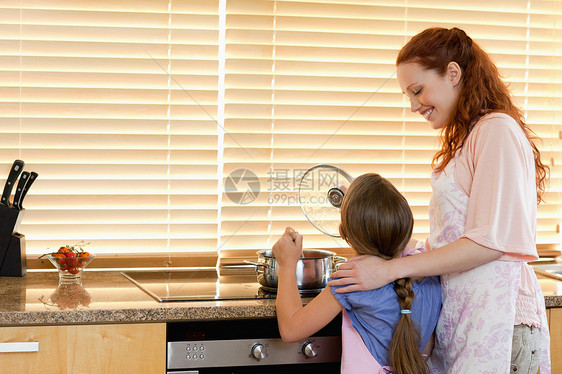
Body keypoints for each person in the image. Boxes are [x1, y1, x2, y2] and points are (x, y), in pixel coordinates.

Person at [329, 27, 551, 373]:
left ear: (452, 73)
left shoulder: (497, 131)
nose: (414, 105)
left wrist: (389, 269)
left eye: (417, 91)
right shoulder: (469, 137)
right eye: (408, 96)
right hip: (466, 316)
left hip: (499, 316)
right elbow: (456, 236)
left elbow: (487, 243)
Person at [273, 173, 441, 374]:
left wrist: (286, 265)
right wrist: (357, 200)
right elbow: (402, 240)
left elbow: (291, 329)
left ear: (342, 233)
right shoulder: (430, 272)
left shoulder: (352, 280)